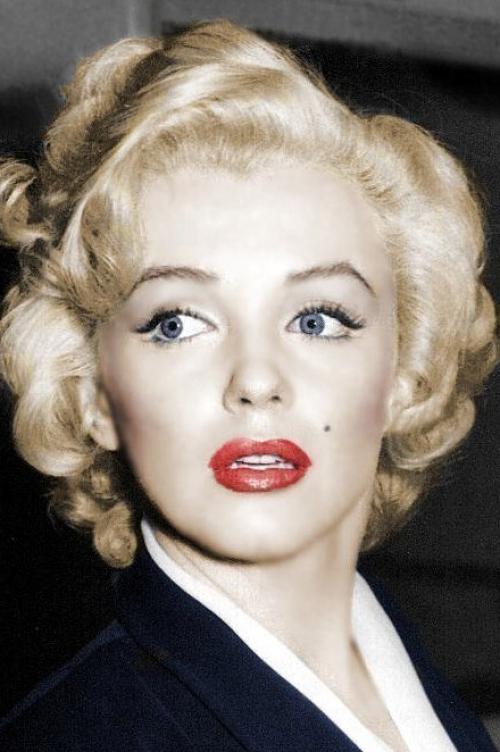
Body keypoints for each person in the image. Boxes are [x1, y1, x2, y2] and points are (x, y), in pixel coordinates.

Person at [0, 18, 497, 752]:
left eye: (318, 319)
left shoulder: (412, 682)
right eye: (177, 323)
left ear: (403, 372)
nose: (257, 381)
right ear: (95, 392)